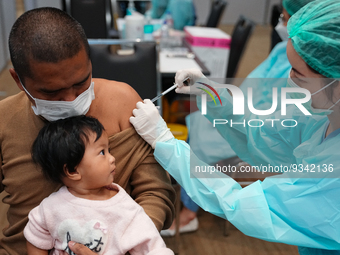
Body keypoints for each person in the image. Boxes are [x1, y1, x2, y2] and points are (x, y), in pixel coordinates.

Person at [129, 0, 340, 254]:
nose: (290, 80)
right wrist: (210, 93)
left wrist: (166, 144)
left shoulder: (332, 174)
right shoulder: (324, 117)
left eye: (298, 73)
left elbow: (241, 204)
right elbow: (263, 132)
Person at [0, 7, 175, 255]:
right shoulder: (5, 119)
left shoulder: (122, 103)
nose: (71, 99)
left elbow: (155, 192)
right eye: (52, 92)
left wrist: (121, 244)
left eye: (81, 82)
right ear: (18, 80)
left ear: (90, 62)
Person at [165, 0, 316, 237]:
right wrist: (208, 89)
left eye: (285, 18)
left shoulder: (319, 151)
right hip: (247, 117)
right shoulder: (283, 51)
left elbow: (270, 124)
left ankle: (189, 210)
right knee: (198, 123)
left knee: (201, 146)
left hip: (259, 127)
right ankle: (187, 193)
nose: (280, 23)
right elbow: (248, 90)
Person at [24, 115, 173, 255]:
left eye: (109, 150)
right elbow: (35, 237)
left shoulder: (127, 210)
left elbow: (153, 248)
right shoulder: (51, 208)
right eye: (102, 152)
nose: (112, 158)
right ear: (72, 170)